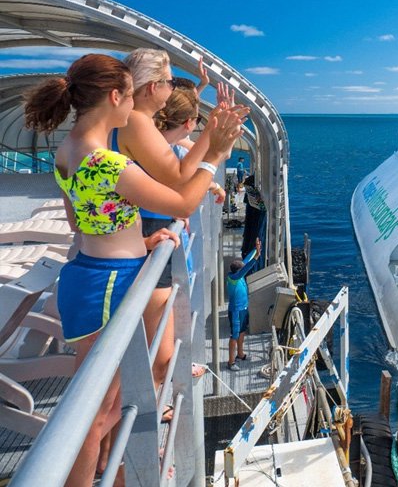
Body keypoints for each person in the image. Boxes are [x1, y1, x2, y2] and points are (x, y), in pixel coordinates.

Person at [23, 54, 243, 487]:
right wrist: (214, 155)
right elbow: (182, 203)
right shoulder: (107, 162)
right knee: (91, 414)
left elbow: (81, 221)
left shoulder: (68, 151)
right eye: (131, 96)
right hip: (108, 283)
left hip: (93, 272)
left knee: (110, 403)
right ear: (115, 96)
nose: (140, 110)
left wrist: (141, 241)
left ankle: (114, 474)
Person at [113, 49, 247, 395]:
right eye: (170, 81)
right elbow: (178, 179)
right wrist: (215, 146)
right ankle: (153, 415)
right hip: (137, 237)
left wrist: (213, 128)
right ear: (151, 86)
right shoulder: (137, 121)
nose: (173, 88)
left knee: (149, 347)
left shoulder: (136, 120)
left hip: (137, 235)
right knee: (154, 354)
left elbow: (177, 171)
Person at [226, 238, 261, 370]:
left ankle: (240, 354)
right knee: (234, 335)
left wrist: (255, 248)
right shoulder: (234, 278)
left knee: (242, 332)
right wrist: (257, 257)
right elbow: (247, 267)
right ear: (238, 271)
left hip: (243, 309)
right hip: (235, 311)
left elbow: (245, 262)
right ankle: (231, 362)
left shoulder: (237, 273)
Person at [242, 174, 267, 257]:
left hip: (252, 212)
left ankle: (247, 252)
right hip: (257, 214)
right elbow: (263, 207)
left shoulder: (249, 188)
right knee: (256, 235)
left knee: (250, 232)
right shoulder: (255, 193)